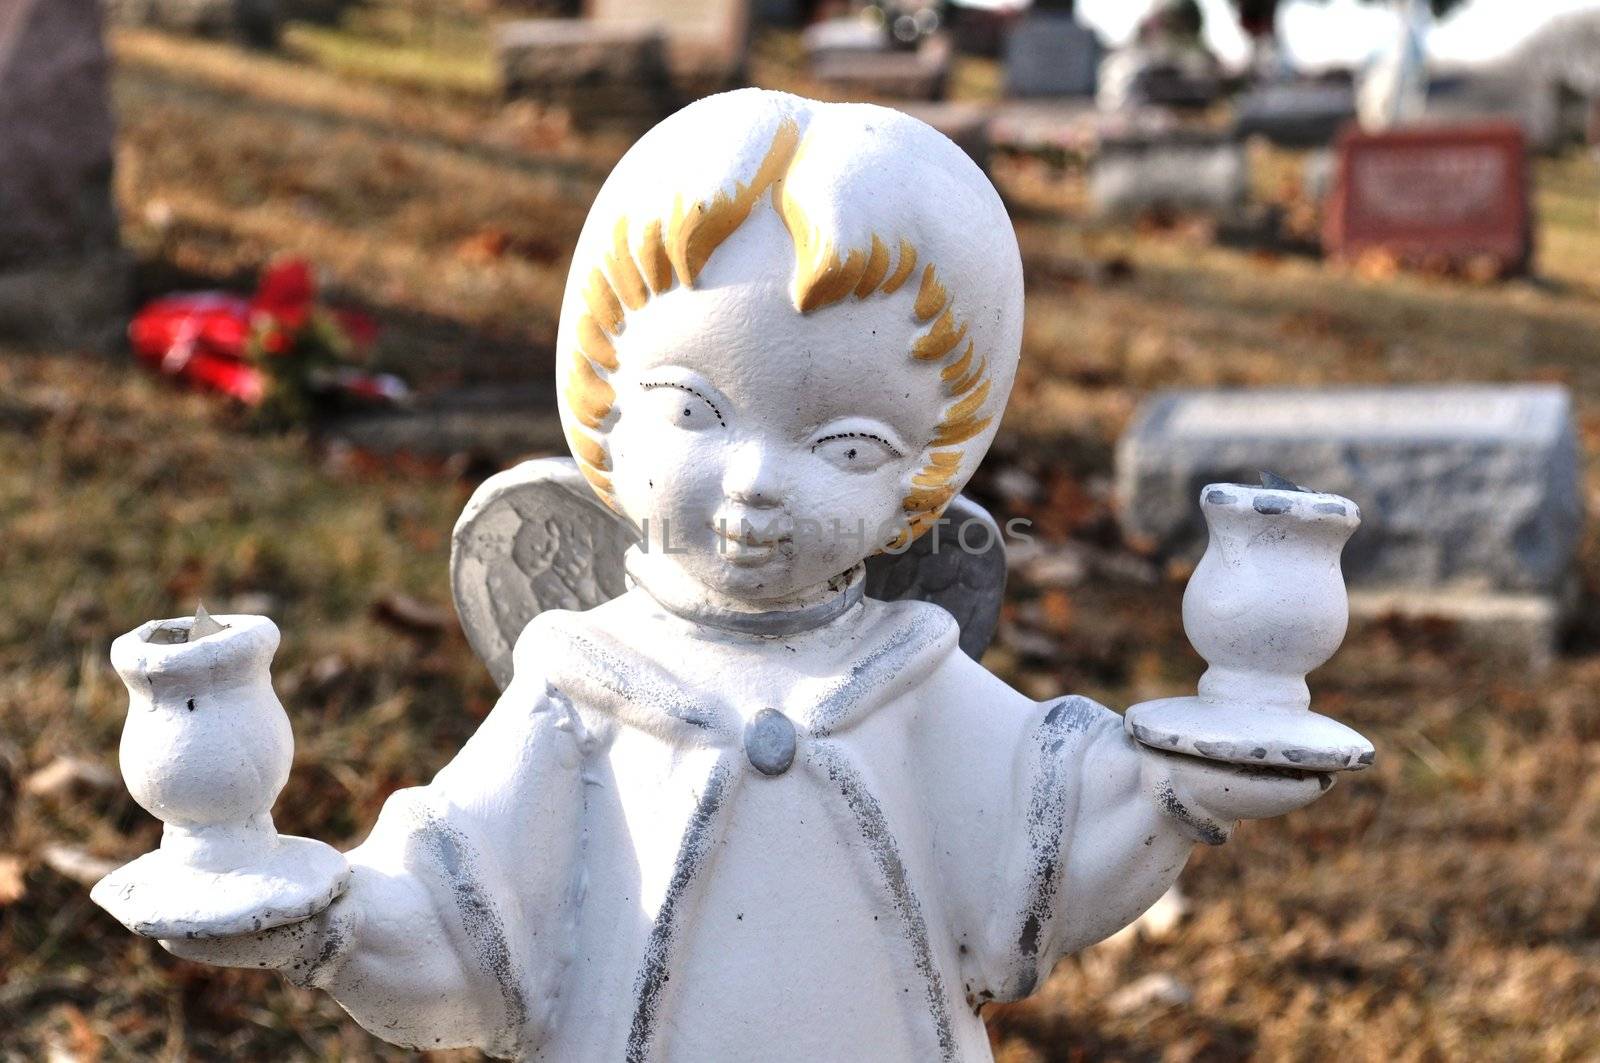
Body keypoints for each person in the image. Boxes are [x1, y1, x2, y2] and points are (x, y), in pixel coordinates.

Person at [157, 89, 1331, 1061]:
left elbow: (1041, 823)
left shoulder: (906, 675)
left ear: (926, 478)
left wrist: (1191, 772)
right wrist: (325, 921)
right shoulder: (582, 681)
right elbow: (466, 902)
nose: (757, 483)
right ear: (600, 411)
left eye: (848, 447)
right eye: (691, 411)